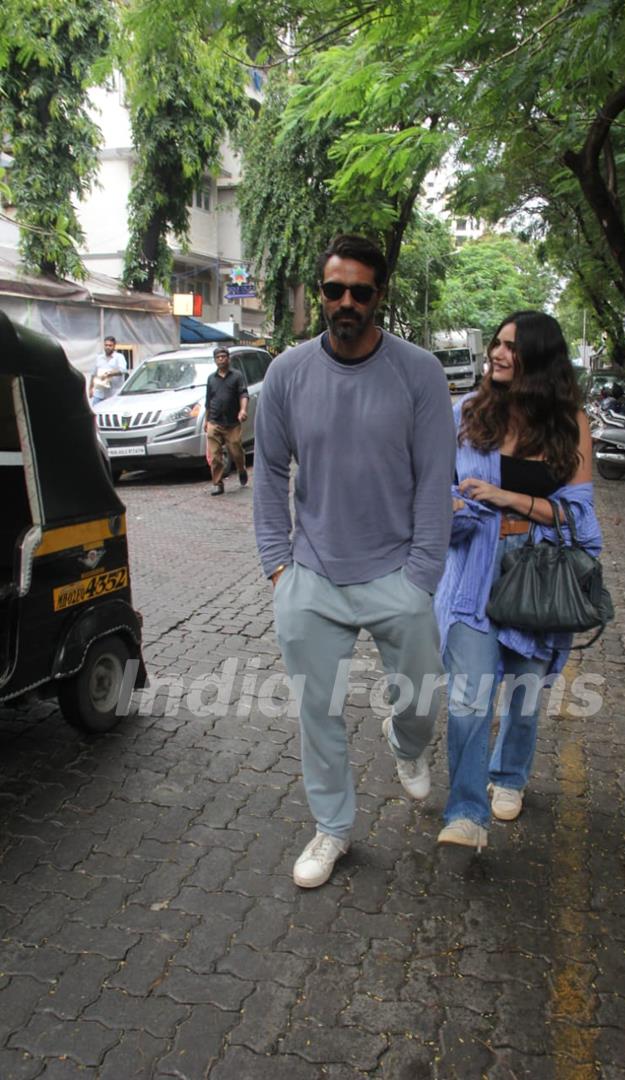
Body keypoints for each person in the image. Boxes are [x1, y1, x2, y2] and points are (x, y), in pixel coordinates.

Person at [253, 234, 456, 889]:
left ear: (379, 296)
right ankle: (333, 829)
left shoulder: (419, 372)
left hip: (397, 572)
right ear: (321, 292)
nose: (346, 302)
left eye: (360, 292)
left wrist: (423, 577)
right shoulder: (286, 373)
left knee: (421, 697)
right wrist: (277, 566)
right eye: (334, 289)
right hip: (310, 574)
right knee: (319, 713)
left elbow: (435, 479)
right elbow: (269, 472)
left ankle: (407, 745)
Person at [433, 311, 602, 853]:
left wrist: (509, 499)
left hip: (536, 571)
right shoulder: (467, 412)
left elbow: (581, 519)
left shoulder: (569, 423)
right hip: (473, 570)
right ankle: (465, 813)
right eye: (497, 345)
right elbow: (441, 490)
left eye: (512, 347)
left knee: (525, 692)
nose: (498, 354)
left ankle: (508, 776)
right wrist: (454, 506)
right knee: (470, 696)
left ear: (540, 360)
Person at [205, 346, 249, 495]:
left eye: (223, 356)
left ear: (228, 358)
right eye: (218, 357)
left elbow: (243, 394)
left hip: (232, 423)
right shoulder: (211, 379)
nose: (221, 359)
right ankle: (217, 483)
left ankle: (241, 469)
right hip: (214, 422)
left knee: (236, 451)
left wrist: (242, 410)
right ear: (215, 360)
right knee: (215, 455)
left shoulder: (236, 376)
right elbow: (208, 402)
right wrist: (206, 421)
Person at [90, 336, 127, 404]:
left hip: (113, 394)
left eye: (110, 345)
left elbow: (123, 370)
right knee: (96, 412)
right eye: (106, 345)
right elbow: (93, 374)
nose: (108, 347)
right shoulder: (99, 358)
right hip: (99, 393)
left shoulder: (119, 357)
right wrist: (90, 388)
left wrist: (110, 374)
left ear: (114, 346)